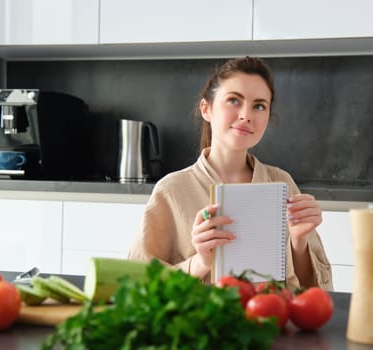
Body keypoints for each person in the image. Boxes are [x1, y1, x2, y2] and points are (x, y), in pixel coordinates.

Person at [128, 56, 333, 290]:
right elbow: (138, 280)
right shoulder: (172, 190)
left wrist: (298, 242)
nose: (246, 115)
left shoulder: (282, 182)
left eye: (259, 106)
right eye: (234, 100)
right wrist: (201, 262)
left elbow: (316, 292)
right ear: (206, 109)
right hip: (204, 323)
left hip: (273, 321)